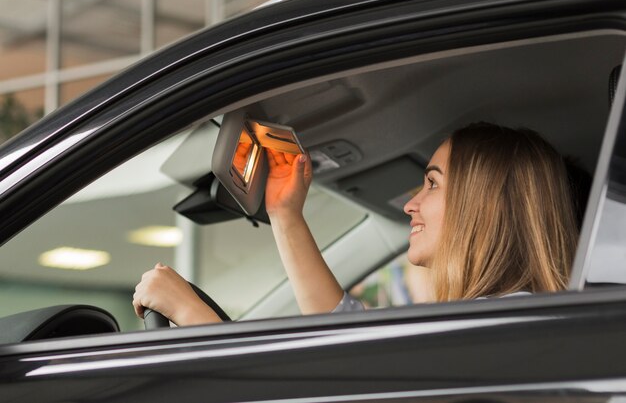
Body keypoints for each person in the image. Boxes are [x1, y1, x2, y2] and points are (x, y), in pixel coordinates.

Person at [132, 122, 578, 325]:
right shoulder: (511, 322)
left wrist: (192, 316)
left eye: (432, 184)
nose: (411, 205)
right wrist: (286, 214)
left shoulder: (493, 330)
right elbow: (344, 336)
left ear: (484, 206)